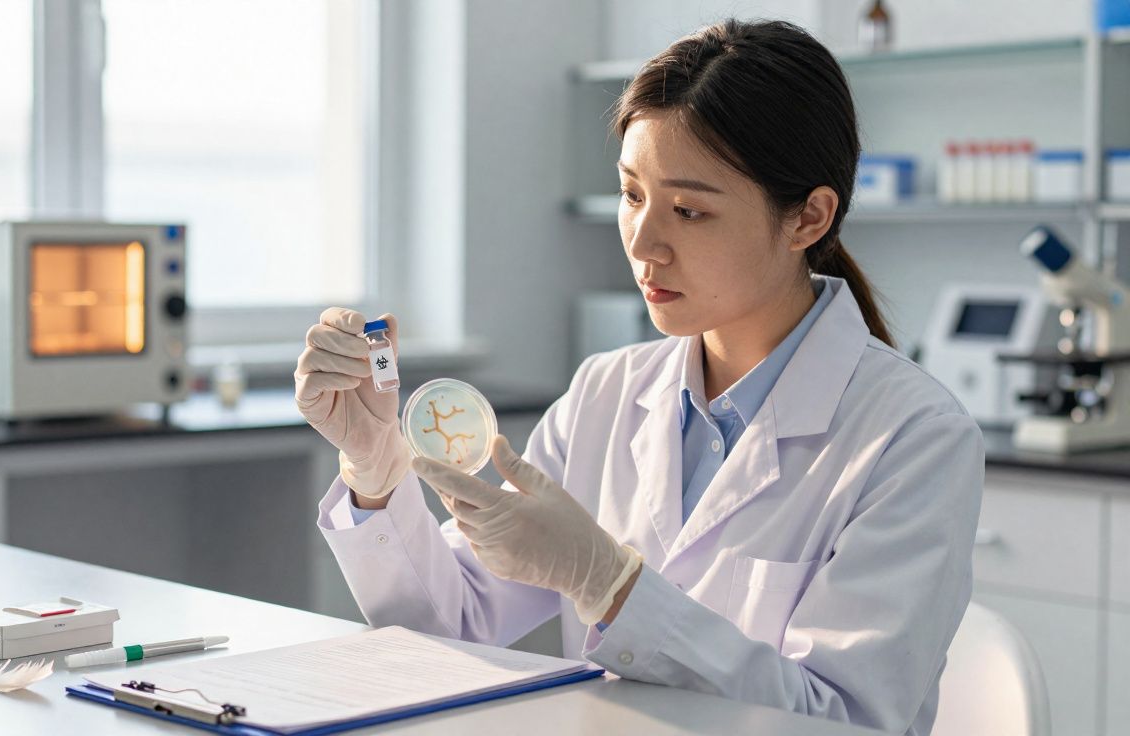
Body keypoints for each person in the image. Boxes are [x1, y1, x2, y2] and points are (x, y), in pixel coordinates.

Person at [293, 19, 982, 736]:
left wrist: (612, 586)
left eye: (689, 210)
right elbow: (451, 624)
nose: (644, 243)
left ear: (809, 216)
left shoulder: (913, 438)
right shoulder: (607, 394)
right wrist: (376, 471)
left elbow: (843, 720)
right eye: (630, 195)